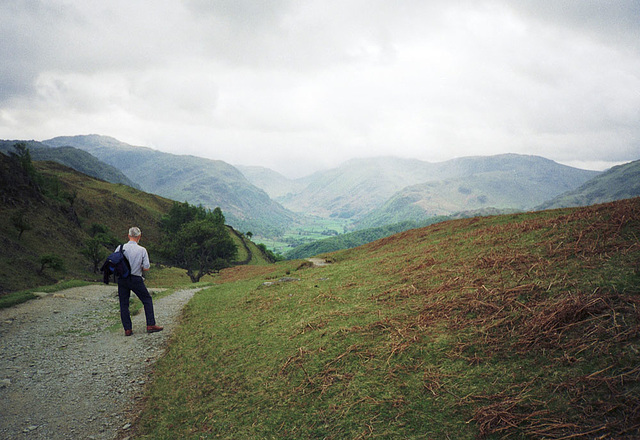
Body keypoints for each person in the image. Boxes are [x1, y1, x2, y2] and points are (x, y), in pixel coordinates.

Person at [117, 226, 163, 336]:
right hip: (136, 278)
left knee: (124, 304)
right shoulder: (142, 250)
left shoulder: (120, 247)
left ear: (128, 236)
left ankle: (127, 329)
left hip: (122, 278)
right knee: (147, 299)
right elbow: (146, 267)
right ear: (139, 236)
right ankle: (150, 324)